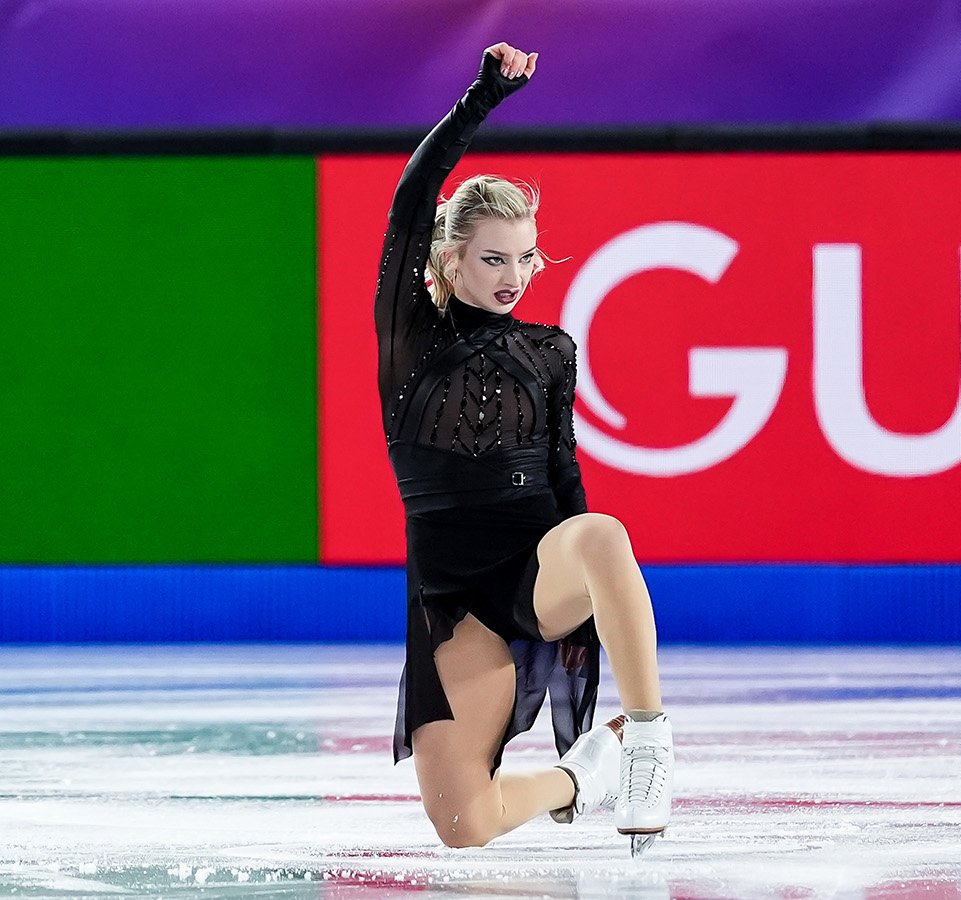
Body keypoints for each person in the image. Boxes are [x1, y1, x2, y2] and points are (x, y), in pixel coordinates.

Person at [373, 41, 672, 857]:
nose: (515, 274)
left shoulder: (550, 350)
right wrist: (481, 99)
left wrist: (581, 613)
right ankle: (591, 775)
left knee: (602, 532)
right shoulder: (407, 338)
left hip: (535, 565)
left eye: (526, 257)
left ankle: (648, 743)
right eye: (494, 258)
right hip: (451, 594)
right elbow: (410, 200)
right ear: (448, 258)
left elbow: (563, 469)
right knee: (462, 826)